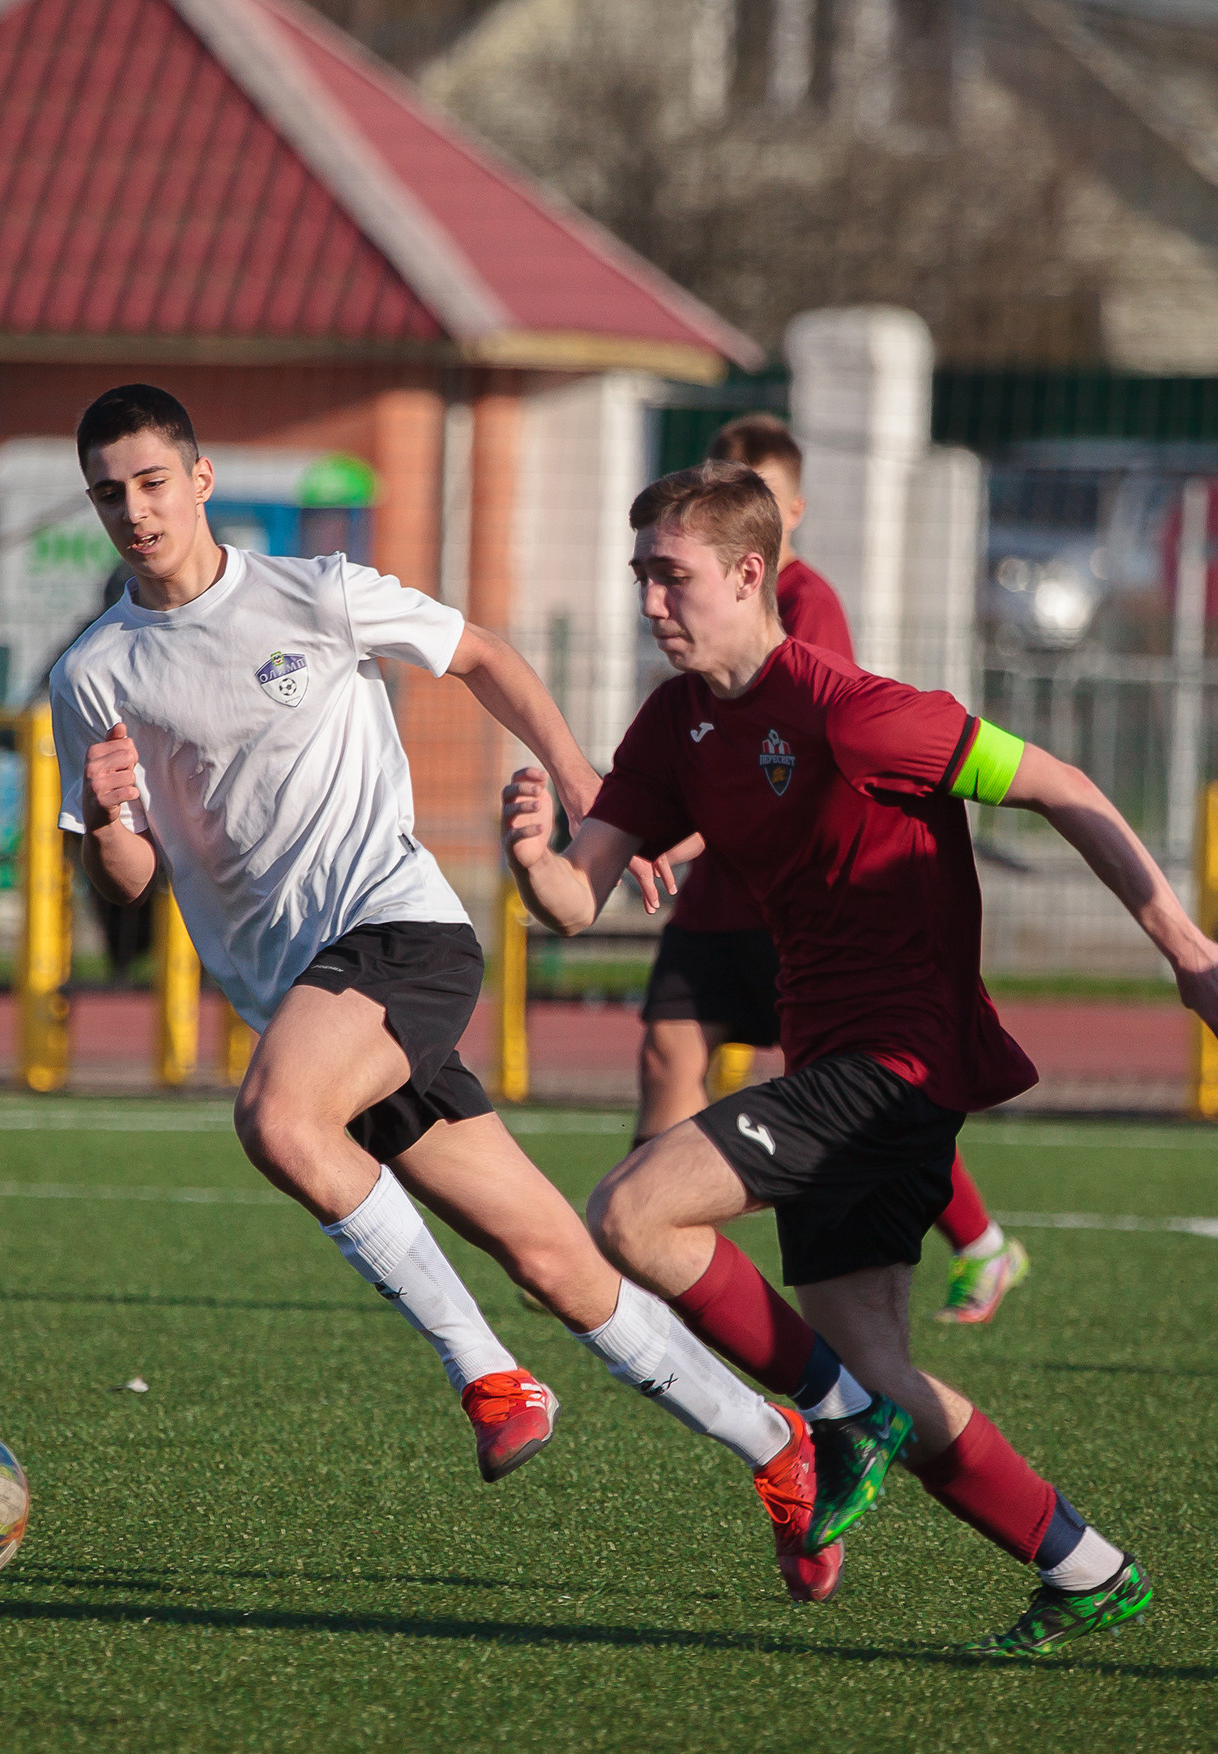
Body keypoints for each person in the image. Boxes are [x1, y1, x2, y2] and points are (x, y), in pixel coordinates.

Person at [54, 385, 860, 1603]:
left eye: (152, 482)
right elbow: (119, 881)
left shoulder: (313, 591)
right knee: (550, 1254)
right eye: (109, 493)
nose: (134, 510)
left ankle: (488, 1375)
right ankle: (777, 1447)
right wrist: (111, 812)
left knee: (276, 1121)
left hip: (399, 932)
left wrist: (592, 789)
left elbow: (480, 653)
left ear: (201, 478)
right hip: (306, 1000)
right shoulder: (93, 669)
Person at [504, 461, 1218, 1655]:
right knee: (879, 1375)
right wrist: (529, 854)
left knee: (633, 1212)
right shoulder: (674, 722)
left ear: (747, 574)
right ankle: (1086, 1567)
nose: (650, 601)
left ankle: (830, 1423)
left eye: (672, 576)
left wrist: (1181, 942)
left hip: (901, 1063)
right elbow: (571, 899)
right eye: (640, 576)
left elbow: (1062, 786)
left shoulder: (853, 709)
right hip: (829, 1055)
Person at [633, 415, 1028, 1327]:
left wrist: (684, 829)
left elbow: (794, 760)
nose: (658, 597)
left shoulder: (804, 612)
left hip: (795, 904)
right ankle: (647, 1250)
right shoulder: (677, 687)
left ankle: (976, 1240)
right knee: (667, 1051)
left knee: (852, 1087)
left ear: (783, 521)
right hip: (716, 900)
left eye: (756, 494)